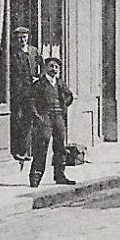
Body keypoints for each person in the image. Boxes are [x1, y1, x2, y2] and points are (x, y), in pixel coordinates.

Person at [27, 57, 76, 187]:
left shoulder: (60, 83)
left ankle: (60, 175)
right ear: (45, 68)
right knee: (41, 147)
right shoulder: (39, 84)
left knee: (60, 147)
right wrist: (38, 117)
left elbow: (69, 96)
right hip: (45, 117)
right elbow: (31, 102)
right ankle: (35, 177)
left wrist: (64, 105)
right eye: (51, 66)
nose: (54, 69)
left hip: (58, 117)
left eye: (56, 67)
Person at [8, 26, 43, 165]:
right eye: (19, 38)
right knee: (18, 119)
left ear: (28, 38)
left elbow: (43, 65)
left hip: (32, 91)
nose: (22, 40)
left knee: (29, 120)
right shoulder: (13, 52)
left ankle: (27, 151)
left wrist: (39, 77)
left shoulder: (33, 51)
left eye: (24, 37)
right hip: (17, 91)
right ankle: (18, 151)